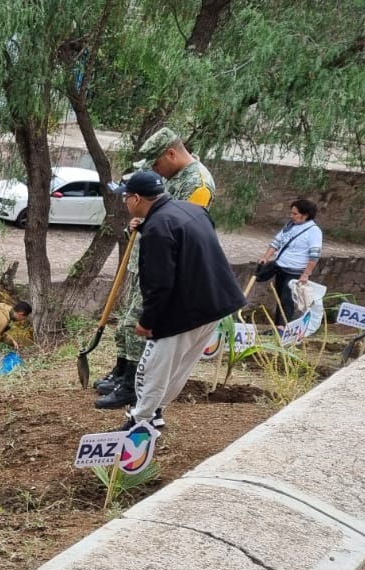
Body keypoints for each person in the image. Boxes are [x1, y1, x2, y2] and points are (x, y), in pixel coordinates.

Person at [115, 169, 246, 431]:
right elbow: (184, 243)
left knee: (153, 367)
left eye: (126, 197)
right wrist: (146, 227)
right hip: (216, 303)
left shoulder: (157, 229)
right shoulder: (191, 210)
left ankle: (139, 422)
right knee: (180, 366)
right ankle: (156, 412)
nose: (125, 202)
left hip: (184, 311)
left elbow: (159, 283)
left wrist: (147, 320)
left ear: (137, 198)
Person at [96, 127, 216, 409]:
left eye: (156, 163)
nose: (155, 170)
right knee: (126, 321)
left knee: (136, 322)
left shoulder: (198, 183)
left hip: (163, 267)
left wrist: (147, 224)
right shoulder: (174, 176)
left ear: (171, 153)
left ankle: (132, 386)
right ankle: (122, 373)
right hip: (144, 259)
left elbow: (183, 228)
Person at [257, 198, 323, 324]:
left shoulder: (314, 231)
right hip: (280, 267)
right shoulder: (290, 226)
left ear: (305, 215)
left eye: (295, 214)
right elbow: (276, 243)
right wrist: (265, 257)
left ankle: (282, 329)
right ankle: (277, 327)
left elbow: (314, 255)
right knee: (279, 298)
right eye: (291, 213)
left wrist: (306, 274)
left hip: (295, 272)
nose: (291, 216)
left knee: (287, 300)